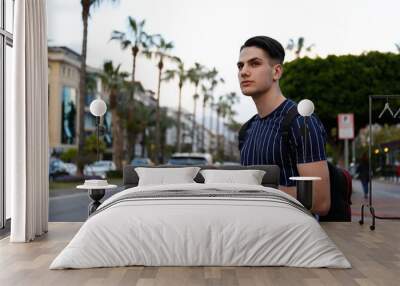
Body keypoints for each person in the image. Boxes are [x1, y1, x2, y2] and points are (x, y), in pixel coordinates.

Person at [237, 36, 330, 215]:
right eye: (240, 66)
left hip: (291, 237)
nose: (244, 72)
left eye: (254, 64)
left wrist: (257, 191)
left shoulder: (302, 122)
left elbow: (320, 201)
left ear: (276, 72)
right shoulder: (246, 130)